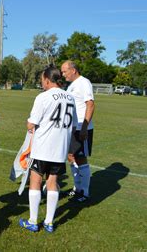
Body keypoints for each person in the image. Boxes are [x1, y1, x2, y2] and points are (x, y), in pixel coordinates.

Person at [19, 66, 77, 233]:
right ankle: (49, 222)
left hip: (43, 147)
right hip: (60, 148)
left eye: (42, 80)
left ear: (47, 79)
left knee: (36, 182)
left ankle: (33, 220)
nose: (41, 83)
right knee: (53, 183)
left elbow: (31, 123)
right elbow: (72, 125)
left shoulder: (43, 97)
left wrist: (30, 125)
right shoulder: (70, 97)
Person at [61, 60, 95, 202]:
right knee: (70, 156)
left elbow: (91, 104)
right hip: (71, 127)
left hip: (81, 126)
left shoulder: (83, 82)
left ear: (73, 70)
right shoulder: (71, 86)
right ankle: (77, 187)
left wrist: (84, 127)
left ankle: (84, 193)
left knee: (80, 158)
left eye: (64, 71)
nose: (63, 75)